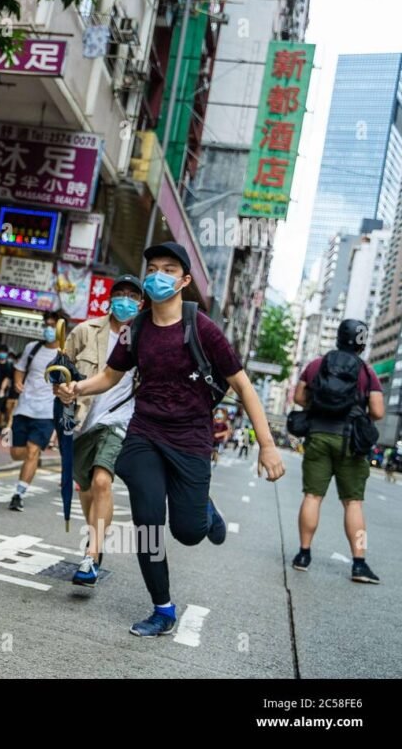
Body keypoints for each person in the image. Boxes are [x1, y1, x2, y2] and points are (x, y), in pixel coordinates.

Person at [57, 242, 285, 636]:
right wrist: (76, 388)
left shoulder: (202, 328)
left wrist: (266, 445)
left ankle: (205, 512)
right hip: (145, 433)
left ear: (184, 281)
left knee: (189, 531)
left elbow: (244, 386)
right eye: (153, 268)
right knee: (148, 522)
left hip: (191, 438)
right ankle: (162, 609)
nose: (158, 275)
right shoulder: (137, 329)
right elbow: (110, 376)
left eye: (168, 269)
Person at [62, 274, 144, 586]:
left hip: (122, 420)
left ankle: (92, 554)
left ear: (141, 302)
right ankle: (96, 540)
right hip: (83, 420)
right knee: (85, 485)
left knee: (101, 480)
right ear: (109, 298)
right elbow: (61, 369)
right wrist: (63, 389)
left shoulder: (144, 337)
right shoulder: (85, 331)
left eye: (132, 295)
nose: (125, 300)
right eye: (119, 293)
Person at [291, 319, 383, 583]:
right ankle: (359, 563)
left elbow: (298, 397)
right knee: (353, 503)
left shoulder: (317, 364)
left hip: (318, 435)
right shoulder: (367, 371)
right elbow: (376, 411)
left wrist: (322, 405)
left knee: (312, 496)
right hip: (351, 443)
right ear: (362, 341)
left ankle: (303, 555)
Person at [7, 311, 65, 511]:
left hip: (47, 412)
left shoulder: (67, 354)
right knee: (16, 453)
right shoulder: (33, 348)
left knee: (32, 451)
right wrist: (17, 381)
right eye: (46, 324)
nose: (48, 329)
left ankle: (18, 494)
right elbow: (20, 367)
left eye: (53, 325)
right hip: (24, 407)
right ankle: (34, 457)